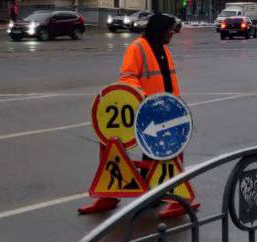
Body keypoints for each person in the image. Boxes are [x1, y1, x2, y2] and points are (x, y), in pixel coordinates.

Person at [79, 13, 188, 216]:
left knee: (160, 153)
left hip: (166, 111)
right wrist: (144, 99)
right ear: (159, 30)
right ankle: (135, 193)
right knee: (136, 150)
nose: (171, 34)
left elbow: (168, 79)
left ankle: (153, 194)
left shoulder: (163, 49)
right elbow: (128, 78)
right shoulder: (137, 48)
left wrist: (175, 104)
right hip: (145, 110)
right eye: (169, 31)